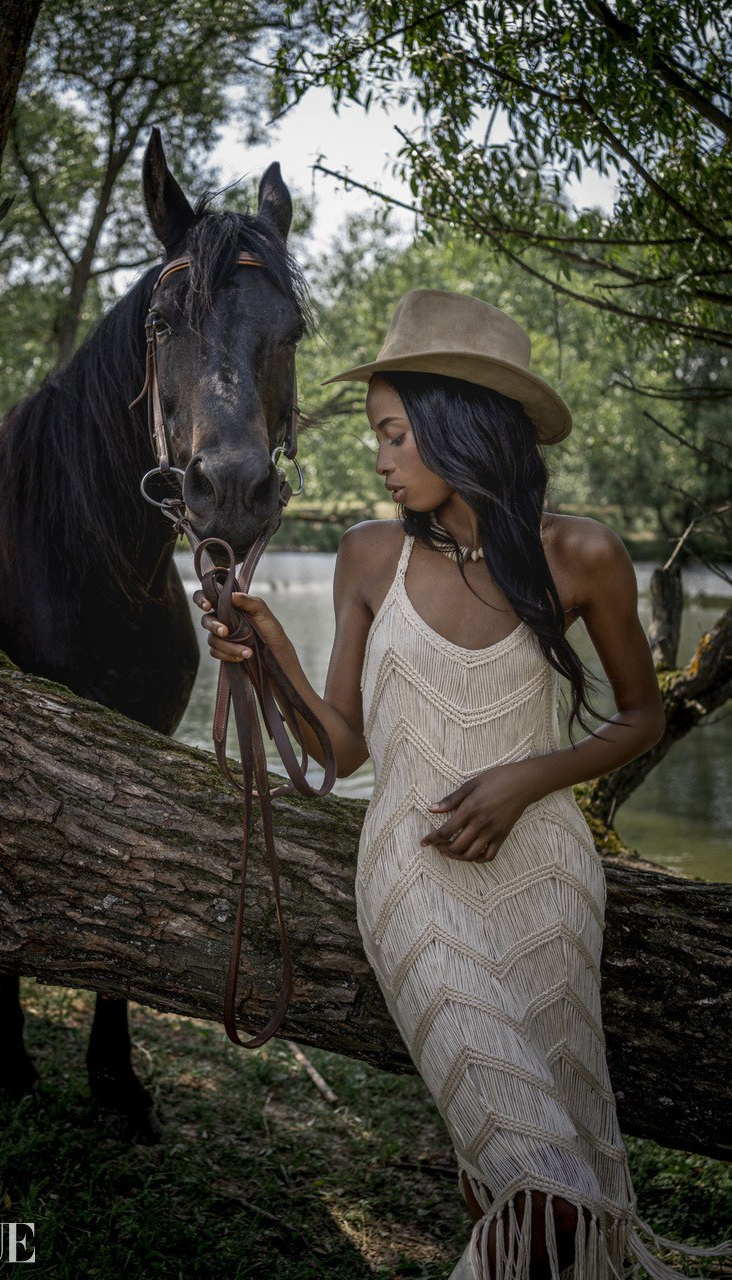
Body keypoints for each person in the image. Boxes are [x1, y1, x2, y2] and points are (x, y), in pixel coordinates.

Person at [195, 290, 723, 1280]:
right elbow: (341, 751)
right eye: (375, 435)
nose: (380, 456)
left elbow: (640, 715)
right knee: (544, 1182)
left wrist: (527, 777)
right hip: (414, 877)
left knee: (511, 1161)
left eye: (393, 433)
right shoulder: (366, 553)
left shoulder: (584, 553)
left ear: (458, 424)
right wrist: (269, 655)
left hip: (547, 879)